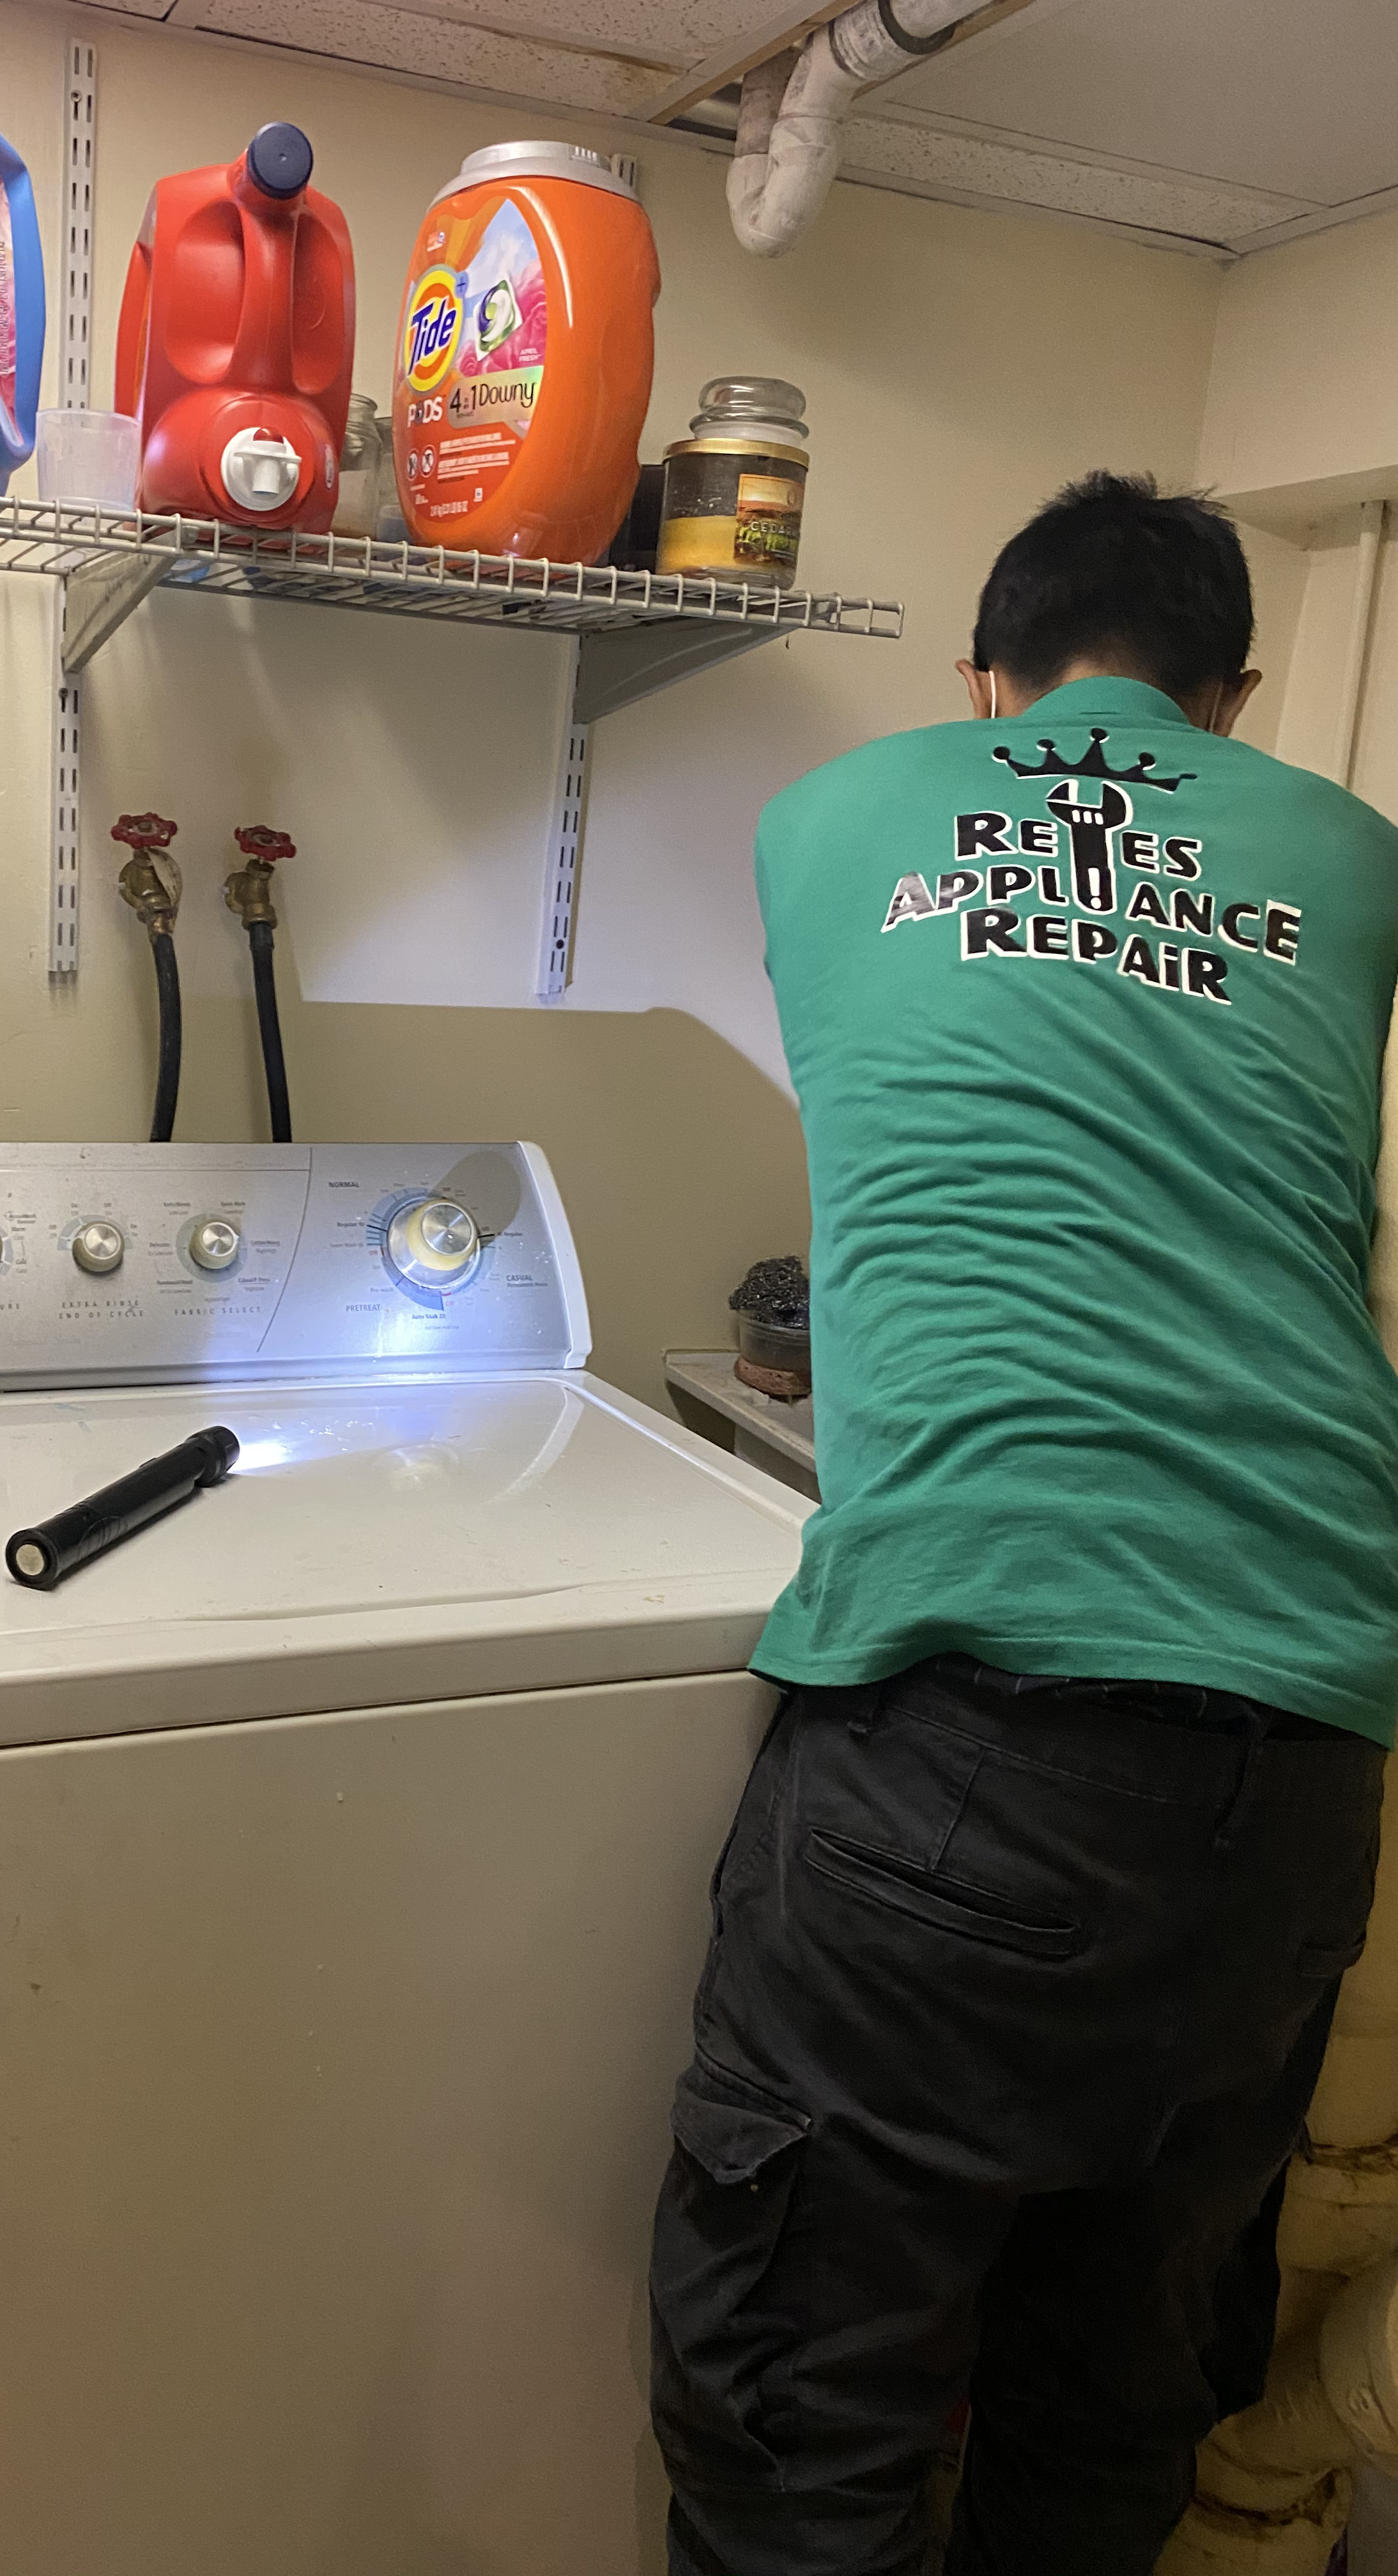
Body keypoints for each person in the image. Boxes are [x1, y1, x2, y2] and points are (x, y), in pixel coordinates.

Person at [649, 472, 1398, 2576]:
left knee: (807, 2432)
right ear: (1232, 698)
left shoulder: (839, 816)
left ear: (983, 680)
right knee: (1102, 2423)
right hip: (1308, 1763)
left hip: (969, 1739)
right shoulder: (1354, 860)